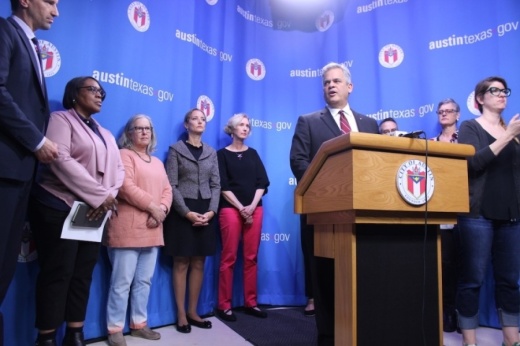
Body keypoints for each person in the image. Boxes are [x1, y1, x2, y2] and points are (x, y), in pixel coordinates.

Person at [28, 76, 124, 346]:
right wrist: (99, 196)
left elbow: (119, 171)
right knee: (58, 273)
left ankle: (75, 333)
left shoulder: (105, 133)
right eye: (92, 89)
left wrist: (107, 197)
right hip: (59, 206)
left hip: (94, 212)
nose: (99, 95)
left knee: (83, 273)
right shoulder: (61, 119)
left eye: (101, 91)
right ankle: (46, 337)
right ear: (74, 94)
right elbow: (60, 158)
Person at [289, 62, 378, 346]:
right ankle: (328, 338)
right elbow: (298, 162)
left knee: (360, 278)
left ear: (349, 87)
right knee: (325, 280)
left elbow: (375, 165)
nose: (330, 85)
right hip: (322, 214)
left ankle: (361, 333)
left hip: (361, 214)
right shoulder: (309, 121)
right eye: (326, 82)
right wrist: (330, 188)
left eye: (336, 81)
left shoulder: (369, 124)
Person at [0, 2, 59, 343]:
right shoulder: (5, 31)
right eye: (51, 1)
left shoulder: (32, 46)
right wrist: (36, 140)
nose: (56, 11)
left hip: (21, 175)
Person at [456, 76, 520, 346]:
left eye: (504, 90)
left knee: (509, 280)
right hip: (478, 215)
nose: (501, 94)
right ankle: (470, 342)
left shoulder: (513, 132)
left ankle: (511, 339)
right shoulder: (470, 126)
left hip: (511, 215)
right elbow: (472, 164)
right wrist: (508, 136)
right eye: (494, 91)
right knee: (472, 279)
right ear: (480, 98)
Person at [103, 115, 172, 346]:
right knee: (121, 282)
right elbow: (125, 187)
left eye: (148, 128)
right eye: (138, 128)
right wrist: (153, 208)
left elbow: (167, 190)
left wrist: (161, 209)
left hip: (153, 228)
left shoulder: (158, 163)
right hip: (127, 229)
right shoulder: (124, 155)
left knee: (144, 281)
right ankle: (114, 329)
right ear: (129, 133)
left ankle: (138, 324)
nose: (144, 132)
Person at [163, 108, 220, 334]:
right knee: (181, 262)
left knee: (199, 262)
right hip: (181, 211)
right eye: (195, 118)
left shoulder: (211, 152)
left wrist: (212, 211)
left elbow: (216, 185)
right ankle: (180, 314)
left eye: (202, 119)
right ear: (186, 125)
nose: (199, 121)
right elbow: (171, 184)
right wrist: (186, 212)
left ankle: (193, 311)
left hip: (206, 210)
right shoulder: (176, 150)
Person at [215, 113, 270, 322]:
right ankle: (224, 305)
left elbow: (262, 183)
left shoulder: (253, 154)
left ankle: (251, 303)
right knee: (228, 258)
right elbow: (222, 186)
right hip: (230, 209)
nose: (245, 128)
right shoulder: (221, 155)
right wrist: (241, 208)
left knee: (251, 258)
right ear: (232, 129)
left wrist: (251, 207)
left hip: (255, 209)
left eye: (248, 125)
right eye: (241, 125)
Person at [431, 98, 460, 333]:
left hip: (467, 205)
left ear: (458, 114)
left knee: (467, 263)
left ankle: (463, 311)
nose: (444, 114)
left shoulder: (467, 137)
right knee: (445, 262)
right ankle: (446, 309)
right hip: (441, 208)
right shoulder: (431, 143)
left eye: (449, 111)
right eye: (441, 111)